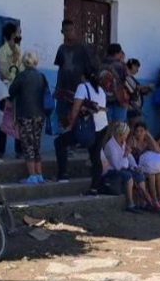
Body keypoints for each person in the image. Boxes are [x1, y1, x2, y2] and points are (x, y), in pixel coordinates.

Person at [53, 20, 98, 181]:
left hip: (79, 95)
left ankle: (93, 164)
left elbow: (91, 70)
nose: (69, 33)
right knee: (64, 124)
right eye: (65, 30)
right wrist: (57, 89)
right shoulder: (61, 49)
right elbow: (60, 70)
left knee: (81, 125)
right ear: (62, 31)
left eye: (71, 30)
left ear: (75, 30)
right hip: (64, 93)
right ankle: (64, 166)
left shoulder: (83, 48)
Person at [65, 71, 109, 195]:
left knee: (60, 143)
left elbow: (75, 108)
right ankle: (95, 187)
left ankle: (62, 174)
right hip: (102, 126)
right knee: (96, 157)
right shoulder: (101, 90)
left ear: (84, 77)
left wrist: (70, 125)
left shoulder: (82, 87)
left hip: (89, 128)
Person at [9, 51, 48, 184]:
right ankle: (39, 174)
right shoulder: (41, 76)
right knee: (36, 144)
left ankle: (32, 176)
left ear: (24, 62)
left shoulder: (21, 76)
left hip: (25, 114)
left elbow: (11, 92)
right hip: (40, 115)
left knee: (28, 145)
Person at [101, 122, 152, 213]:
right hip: (111, 171)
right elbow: (118, 166)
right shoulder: (110, 146)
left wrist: (135, 167)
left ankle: (143, 202)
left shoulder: (122, 142)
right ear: (120, 135)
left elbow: (130, 158)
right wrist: (126, 154)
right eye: (125, 135)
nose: (126, 137)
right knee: (128, 176)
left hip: (122, 168)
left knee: (139, 175)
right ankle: (130, 204)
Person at [129, 122, 160, 213]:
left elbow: (157, 150)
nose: (139, 133)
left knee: (158, 174)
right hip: (137, 167)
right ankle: (154, 200)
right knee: (151, 175)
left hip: (148, 166)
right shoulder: (132, 141)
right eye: (137, 131)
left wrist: (149, 136)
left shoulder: (147, 141)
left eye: (142, 131)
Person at [0, 22, 23, 158]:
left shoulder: (18, 49)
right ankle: (0, 150)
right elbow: (4, 73)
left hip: (18, 90)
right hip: (5, 91)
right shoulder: (2, 51)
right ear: (12, 35)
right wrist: (13, 62)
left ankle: (20, 150)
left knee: (19, 119)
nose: (20, 34)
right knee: (4, 120)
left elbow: (22, 70)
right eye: (18, 32)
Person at [101, 44, 130, 123]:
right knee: (119, 127)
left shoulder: (100, 64)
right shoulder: (120, 66)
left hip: (103, 101)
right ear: (117, 53)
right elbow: (124, 83)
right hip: (118, 102)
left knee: (106, 126)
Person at [124, 58, 151, 124]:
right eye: (136, 67)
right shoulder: (126, 77)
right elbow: (134, 89)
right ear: (132, 66)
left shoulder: (131, 78)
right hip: (132, 107)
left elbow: (138, 90)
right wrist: (146, 86)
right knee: (135, 126)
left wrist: (147, 89)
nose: (137, 70)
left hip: (135, 107)